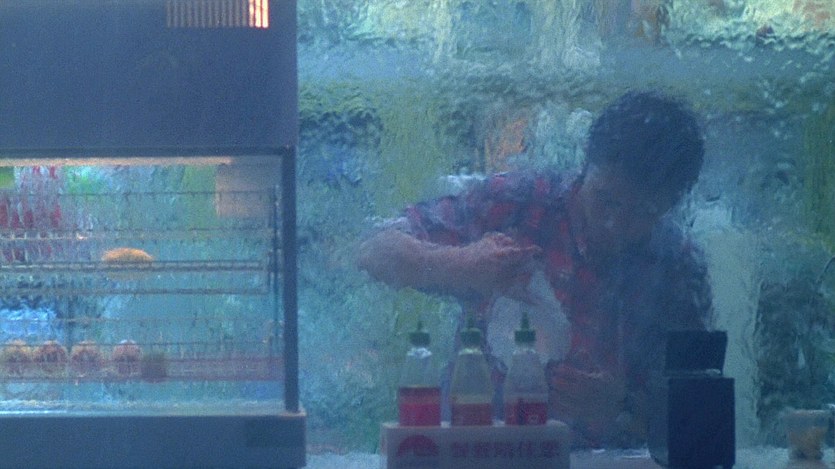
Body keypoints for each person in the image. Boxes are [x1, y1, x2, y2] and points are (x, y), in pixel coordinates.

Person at [358, 91, 713, 448]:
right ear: (586, 167)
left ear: (671, 206)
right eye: (605, 199)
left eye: (642, 213)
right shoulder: (516, 204)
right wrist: (461, 265)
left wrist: (623, 409)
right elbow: (374, 249)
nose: (614, 224)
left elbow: (697, 418)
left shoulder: (678, 267)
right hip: (478, 451)